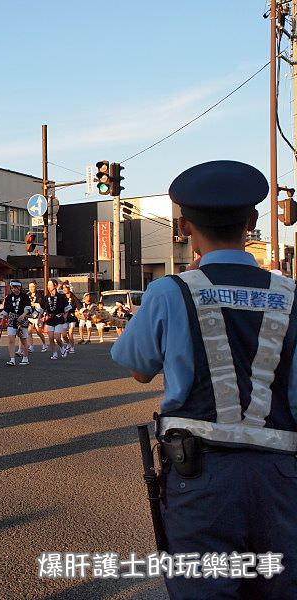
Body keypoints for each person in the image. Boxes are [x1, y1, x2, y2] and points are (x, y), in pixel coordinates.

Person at [111, 160, 297, 599]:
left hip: (200, 474)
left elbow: (138, 368)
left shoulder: (171, 291)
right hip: (280, 475)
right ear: (252, 222)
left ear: (183, 225)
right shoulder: (292, 296)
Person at [0, 280, 31, 366]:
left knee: (23, 339)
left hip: (22, 319)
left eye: (15, 288)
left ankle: (25, 358)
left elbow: (28, 308)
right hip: (11, 319)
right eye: (12, 288)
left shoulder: (25, 297)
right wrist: (3, 319)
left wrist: (23, 315)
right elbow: (6, 309)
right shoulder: (8, 297)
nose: (13, 289)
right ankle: (12, 359)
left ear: (19, 287)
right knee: (11, 339)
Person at [45, 279, 68, 359]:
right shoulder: (46, 297)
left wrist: (65, 316)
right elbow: (41, 309)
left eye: (50, 285)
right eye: (48, 285)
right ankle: (54, 353)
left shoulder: (61, 297)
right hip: (50, 319)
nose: (48, 287)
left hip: (59, 318)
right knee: (51, 337)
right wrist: (39, 318)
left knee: (57, 337)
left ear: (55, 286)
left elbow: (67, 308)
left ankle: (62, 347)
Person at [27, 280, 48, 352]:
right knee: (29, 331)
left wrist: (39, 318)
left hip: (38, 315)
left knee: (38, 331)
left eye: (33, 286)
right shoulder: (27, 295)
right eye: (30, 287)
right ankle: (31, 346)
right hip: (29, 315)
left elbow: (41, 308)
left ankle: (44, 344)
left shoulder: (39, 295)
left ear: (36, 286)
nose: (31, 288)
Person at [62, 283, 81, 355]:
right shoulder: (62, 297)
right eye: (63, 288)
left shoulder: (73, 297)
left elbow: (79, 305)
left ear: (69, 288)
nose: (64, 289)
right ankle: (68, 344)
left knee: (70, 333)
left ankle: (72, 347)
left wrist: (81, 312)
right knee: (63, 334)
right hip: (64, 317)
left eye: (65, 287)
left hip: (72, 316)